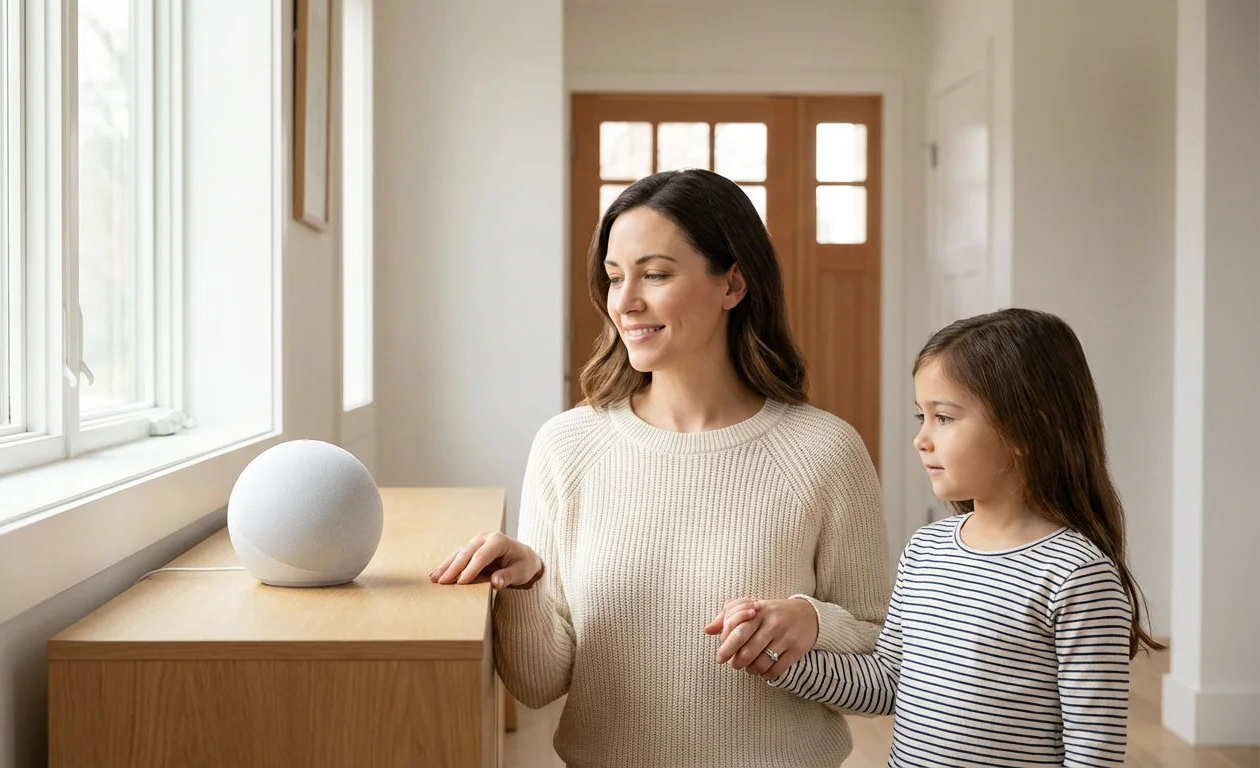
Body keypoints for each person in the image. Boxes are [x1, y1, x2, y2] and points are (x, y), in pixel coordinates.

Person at [429, 168, 893, 767]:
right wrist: (523, 586)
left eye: (656, 274)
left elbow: (882, 649)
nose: (625, 301)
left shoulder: (826, 450)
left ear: (733, 284)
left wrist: (810, 621)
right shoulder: (567, 446)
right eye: (615, 277)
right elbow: (542, 684)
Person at [712, 308, 1164, 767]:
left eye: (944, 417)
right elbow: (886, 683)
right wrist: (776, 660)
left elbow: (1095, 752)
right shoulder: (926, 550)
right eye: (920, 416)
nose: (921, 439)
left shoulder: (1077, 576)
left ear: (1027, 429)